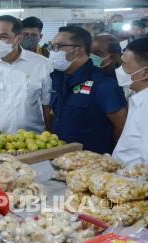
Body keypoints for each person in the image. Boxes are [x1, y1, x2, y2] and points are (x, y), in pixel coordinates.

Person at [49, 26, 127, 154]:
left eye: (59, 47)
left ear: (78, 51)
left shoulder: (103, 83)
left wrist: (111, 157)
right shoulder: (58, 79)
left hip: (91, 164)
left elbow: (121, 126)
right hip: (61, 159)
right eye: (52, 47)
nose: (53, 51)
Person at [113, 37, 148, 165]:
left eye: (125, 64)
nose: (120, 69)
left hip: (133, 182)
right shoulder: (142, 98)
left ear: (145, 73)